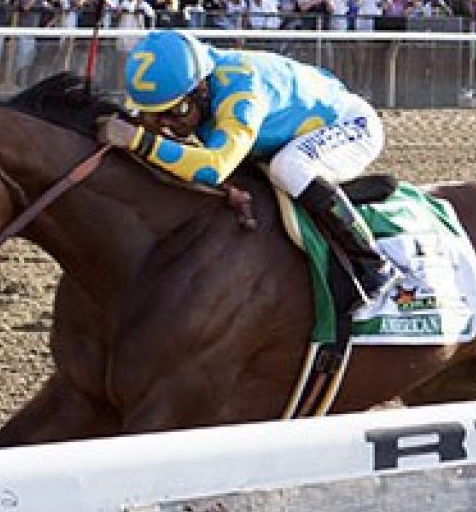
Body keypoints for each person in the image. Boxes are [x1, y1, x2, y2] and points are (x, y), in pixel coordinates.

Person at [97, 28, 398, 307]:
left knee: (289, 167)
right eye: (157, 116)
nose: (168, 124)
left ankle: (373, 263)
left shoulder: (242, 93)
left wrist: (139, 140)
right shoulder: (199, 84)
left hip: (351, 125)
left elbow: (213, 168)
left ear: (201, 88)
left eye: (176, 112)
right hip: (288, 134)